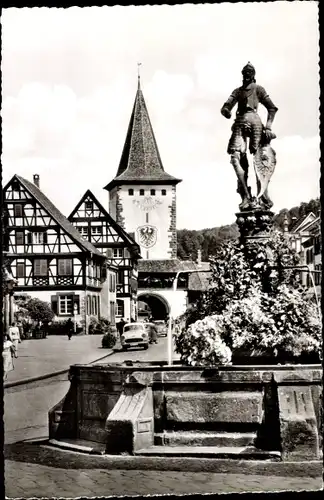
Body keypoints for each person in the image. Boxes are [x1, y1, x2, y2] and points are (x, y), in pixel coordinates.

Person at [221, 62, 278, 211]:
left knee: (260, 158)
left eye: (250, 72)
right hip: (239, 122)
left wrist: (268, 127)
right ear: (242, 74)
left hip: (255, 121)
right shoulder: (238, 91)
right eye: (245, 72)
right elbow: (226, 105)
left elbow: (272, 108)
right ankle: (245, 195)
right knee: (235, 158)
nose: (247, 74)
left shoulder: (258, 89)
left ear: (253, 74)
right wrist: (226, 111)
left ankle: (263, 196)